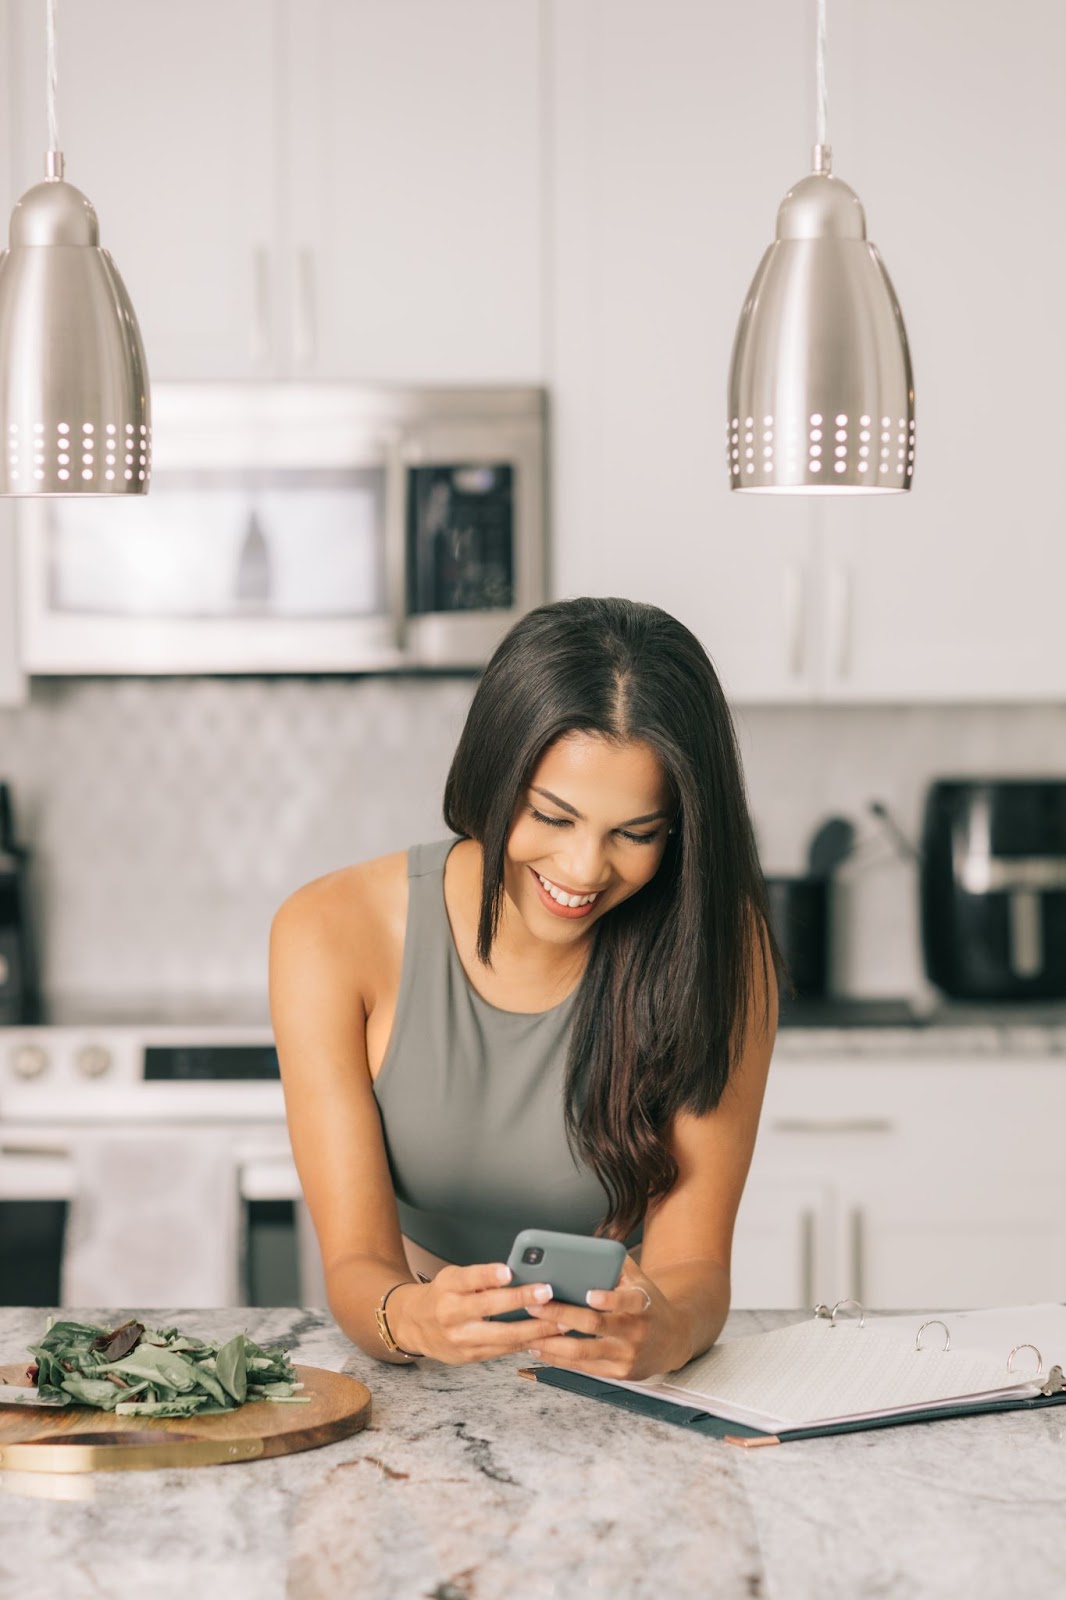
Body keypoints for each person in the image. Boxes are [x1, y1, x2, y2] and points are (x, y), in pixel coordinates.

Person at [269, 596, 778, 1381]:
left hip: (626, 1378)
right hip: (421, 1369)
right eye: (551, 816)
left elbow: (696, 1270)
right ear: (496, 777)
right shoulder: (328, 932)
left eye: (635, 834)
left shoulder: (719, 947)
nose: (583, 871)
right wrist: (415, 1317)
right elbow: (357, 1264)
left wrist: (664, 1331)